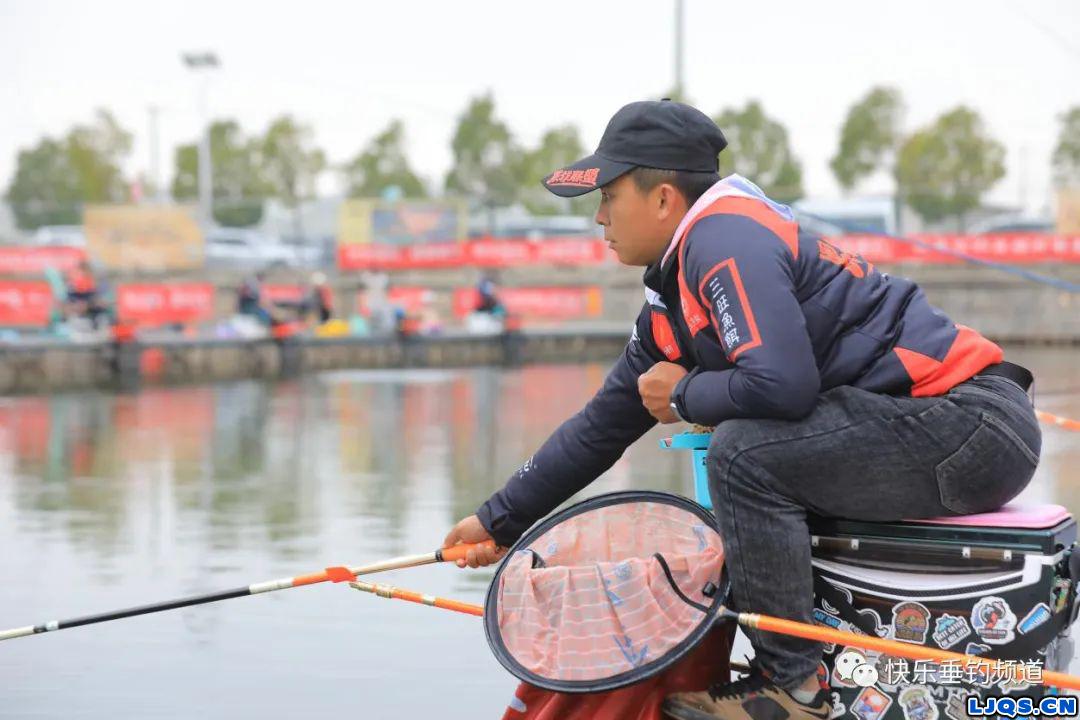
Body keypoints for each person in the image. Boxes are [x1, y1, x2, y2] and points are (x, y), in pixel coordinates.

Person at [441, 100, 1041, 720]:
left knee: (743, 454)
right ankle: (811, 661)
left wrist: (681, 397)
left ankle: (794, 687)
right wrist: (497, 520)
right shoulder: (674, 294)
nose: (599, 218)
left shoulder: (724, 241)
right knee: (749, 448)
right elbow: (601, 426)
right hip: (939, 432)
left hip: (969, 427)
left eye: (609, 197)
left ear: (664, 199)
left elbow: (782, 387)